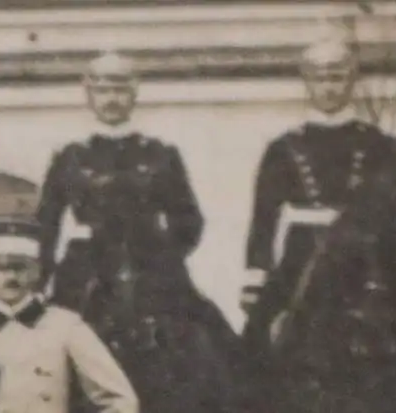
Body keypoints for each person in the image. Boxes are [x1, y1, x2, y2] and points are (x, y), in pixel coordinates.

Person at [36, 51, 241, 413]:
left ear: (134, 93)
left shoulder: (162, 155)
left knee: (206, 348)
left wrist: (161, 251)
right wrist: (43, 278)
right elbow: (46, 224)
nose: (112, 99)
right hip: (87, 270)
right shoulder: (69, 158)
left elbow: (189, 220)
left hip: (153, 268)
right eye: (102, 90)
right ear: (88, 96)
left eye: (120, 89)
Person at [241, 21, 396, 355]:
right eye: (320, 79)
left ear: (351, 80)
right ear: (307, 82)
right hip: (302, 259)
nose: (329, 88)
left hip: (362, 261)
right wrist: (255, 280)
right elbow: (263, 220)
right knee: (264, 353)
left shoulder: (378, 145)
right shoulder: (284, 147)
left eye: (337, 78)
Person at [0, 218, 138, 413]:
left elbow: (121, 400)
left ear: (37, 270)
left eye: (20, 267)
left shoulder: (66, 327)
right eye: (1, 268)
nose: (11, 277)